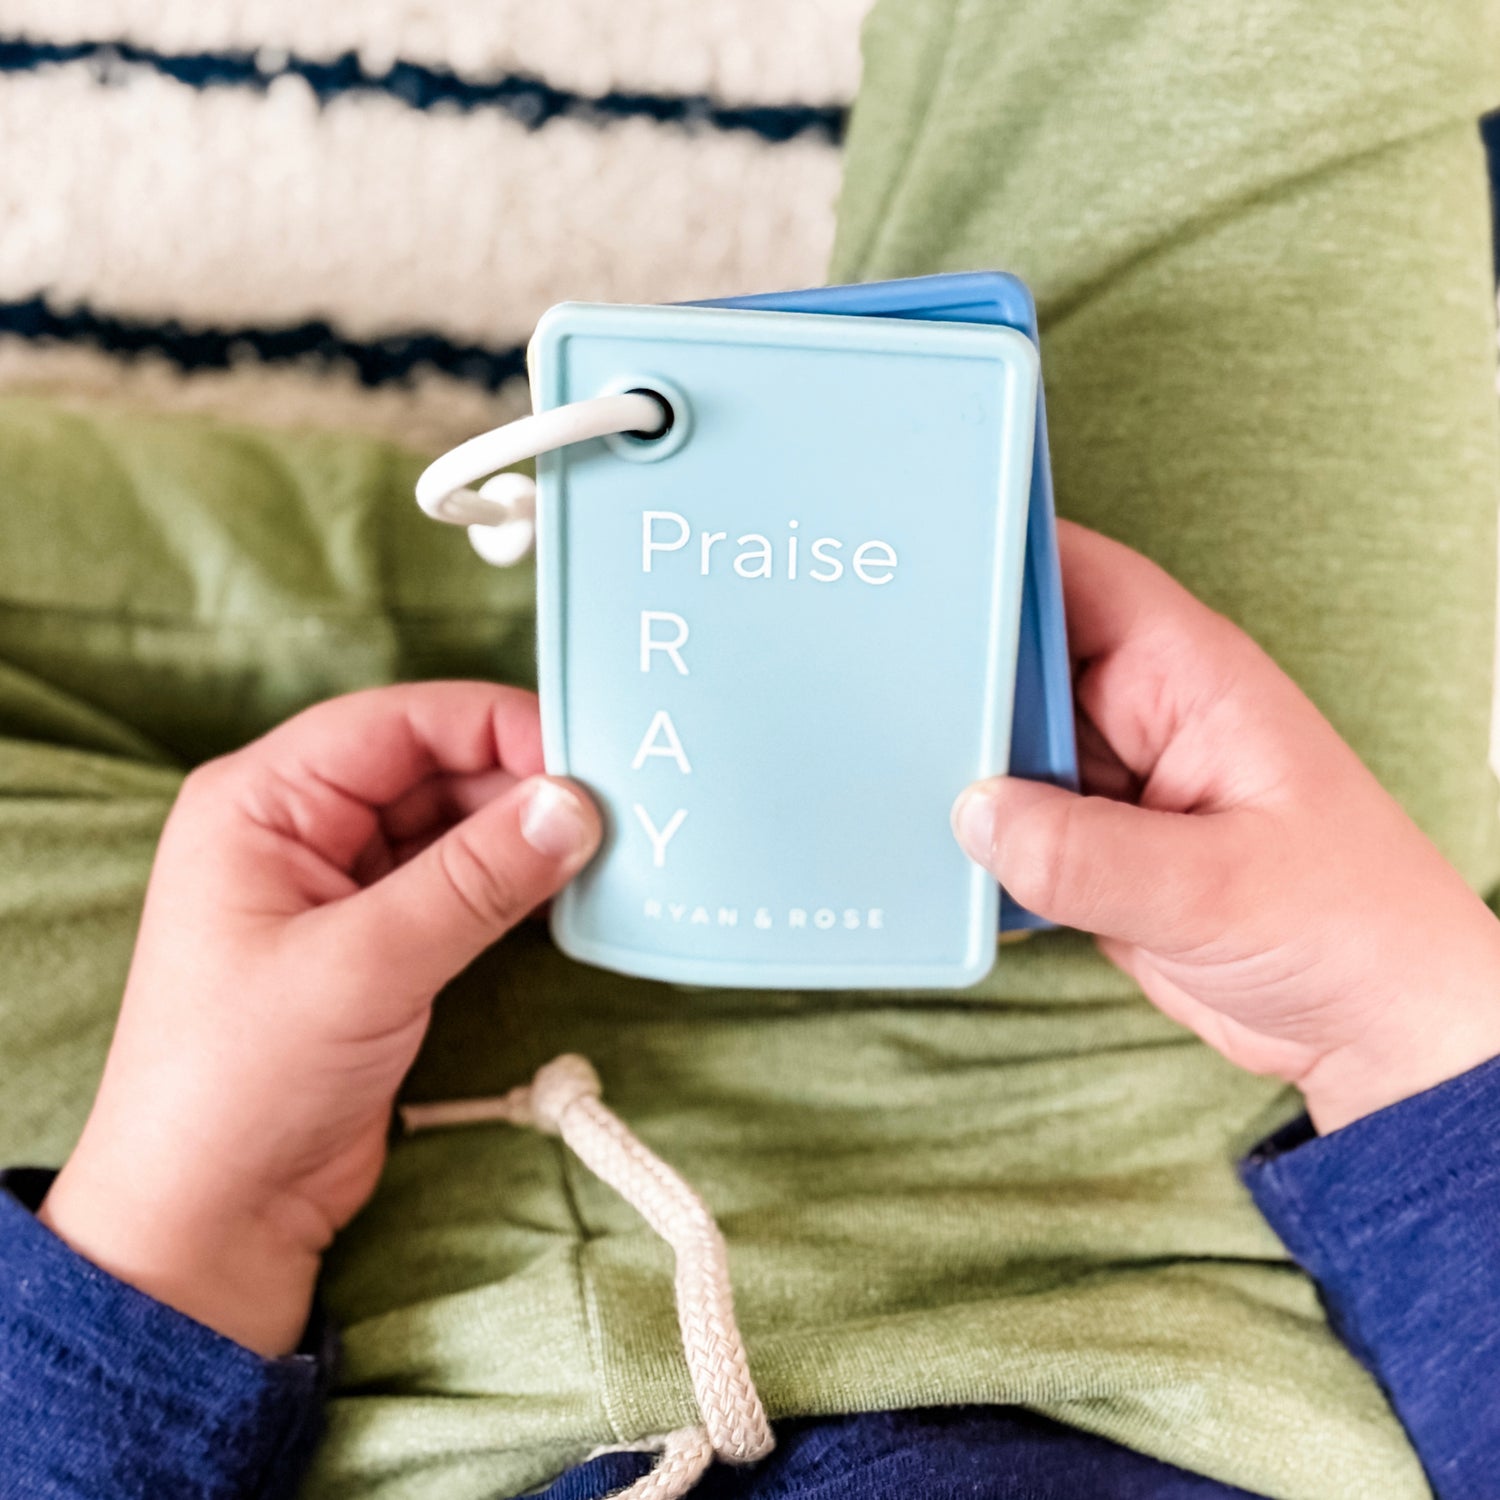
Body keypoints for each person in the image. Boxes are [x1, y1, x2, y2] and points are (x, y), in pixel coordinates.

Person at [3, 519, 1499, 1499]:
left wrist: (188, 1217)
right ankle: (599, 552)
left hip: (294, 1307)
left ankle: (578, 552)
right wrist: (1413, 1027)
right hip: (1174, 1138)